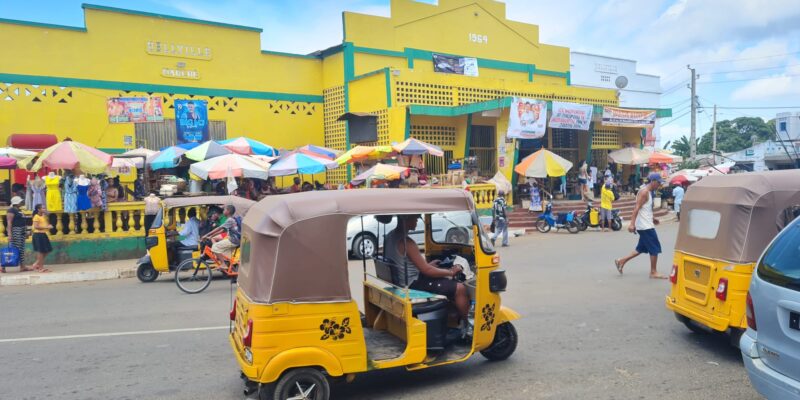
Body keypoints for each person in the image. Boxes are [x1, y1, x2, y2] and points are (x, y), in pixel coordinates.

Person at [385, 214, 469, 318]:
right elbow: (427, 270)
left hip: (402, 282)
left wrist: (428, 266)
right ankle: (466, 324)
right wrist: (451, 272)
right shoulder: (407, 243)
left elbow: (406, 265)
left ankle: (449, 315)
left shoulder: (389, 236)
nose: (417, 221)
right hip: (412, 285)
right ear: (405, 218)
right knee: (460, 288)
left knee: (443, 277)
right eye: (415, 217)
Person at [614, 173, 667, 279]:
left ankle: (621, 261)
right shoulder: (644, 192)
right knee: (655, 248)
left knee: (641, 248)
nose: (659, 185)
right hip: (645, 226)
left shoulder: (649, 192)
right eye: (658, 182)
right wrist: (632, 224)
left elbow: (644, 210)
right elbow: (636, 208)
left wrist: (653, 218)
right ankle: (653, 272)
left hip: (646, 224)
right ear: (653, 181)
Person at [4, 197, 30, 273]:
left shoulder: (19, 210)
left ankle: (22, 266)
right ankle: (3, 266)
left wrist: (25, 232)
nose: (21, 203)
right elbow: (9, 222)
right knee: (14, 249)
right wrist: (9, 234)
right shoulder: (11, 210)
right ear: (16, 202)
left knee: (21, 249)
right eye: (20, 202)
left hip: (21, 230)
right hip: (16, 230)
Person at [31, 204, 53, 272]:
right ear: (38, 209)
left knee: (47, 250)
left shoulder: (43, 216)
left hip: (43, 234)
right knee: (41, 252)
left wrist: (48, 226)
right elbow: (36, 226)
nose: (44, 209)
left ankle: (36, 264)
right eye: (42, 208)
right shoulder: (36, 216)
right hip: (38, 235)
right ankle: (40, 268)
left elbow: (44, 225)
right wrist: (47, 227)